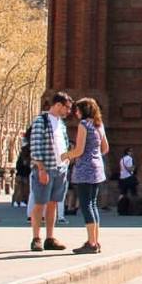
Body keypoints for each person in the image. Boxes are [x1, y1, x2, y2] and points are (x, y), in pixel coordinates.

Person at [28, 91, 73, 252]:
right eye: (67, 107)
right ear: (58, 105)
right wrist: (41, 168)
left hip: (60, 169)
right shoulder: (41, 121)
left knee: (53, 203)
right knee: (40, 203)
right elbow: (36, 145)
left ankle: (50, 237)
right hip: (45, 168)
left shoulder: (61, 123)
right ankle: (36, 238)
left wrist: (67, 160)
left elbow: (65, 143)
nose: (69, 111)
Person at [64, 98, 109, 254]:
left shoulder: (84, 125)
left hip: (84, 169)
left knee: (85, 205)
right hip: (97, 168)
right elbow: (105, 148)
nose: (75, 112)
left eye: (77, 109)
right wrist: (94, 154)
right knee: (93, 204)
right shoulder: (99, 125)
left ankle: (91, 243)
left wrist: (65, 155)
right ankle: (95, 241)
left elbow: (79, 150)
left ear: (83, 110)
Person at [13, 138, 30, 207]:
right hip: (23, 175)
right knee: (21, 189)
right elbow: (19, 166)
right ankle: (19, 201)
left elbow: (18, 166)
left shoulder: (22, 156)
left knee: (20, 189)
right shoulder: (24, 157)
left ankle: (19, 201)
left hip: (22, 174)